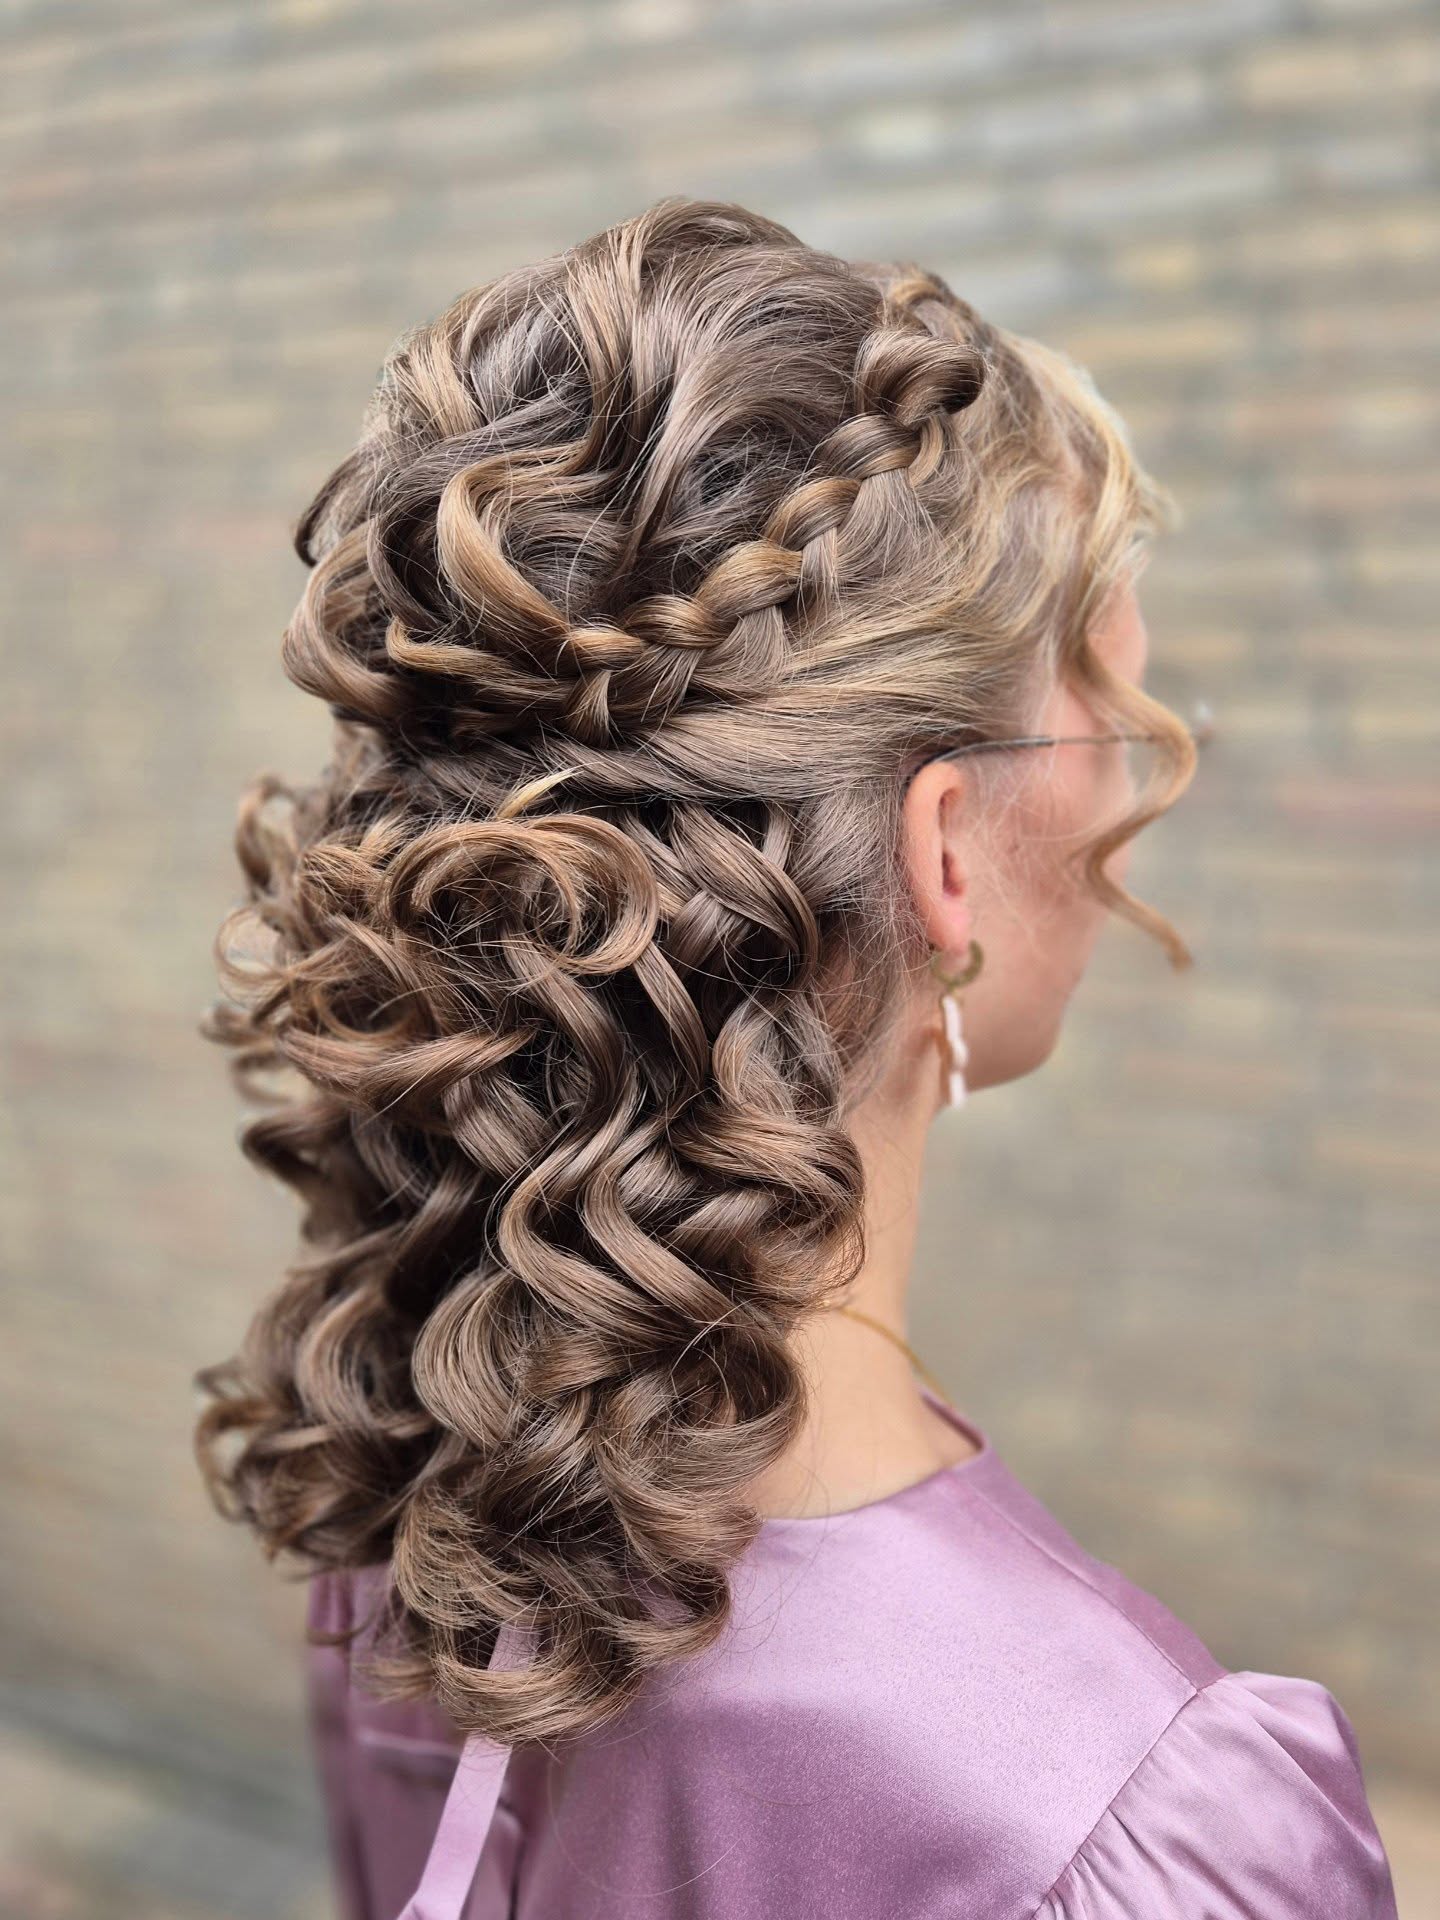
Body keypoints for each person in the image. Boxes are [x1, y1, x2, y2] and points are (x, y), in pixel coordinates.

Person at [195, 197, 1397, 1918]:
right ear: (947, 850)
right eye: (1111, 710)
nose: (1135, 785)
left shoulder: (417, 1512)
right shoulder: (1123, 1821)